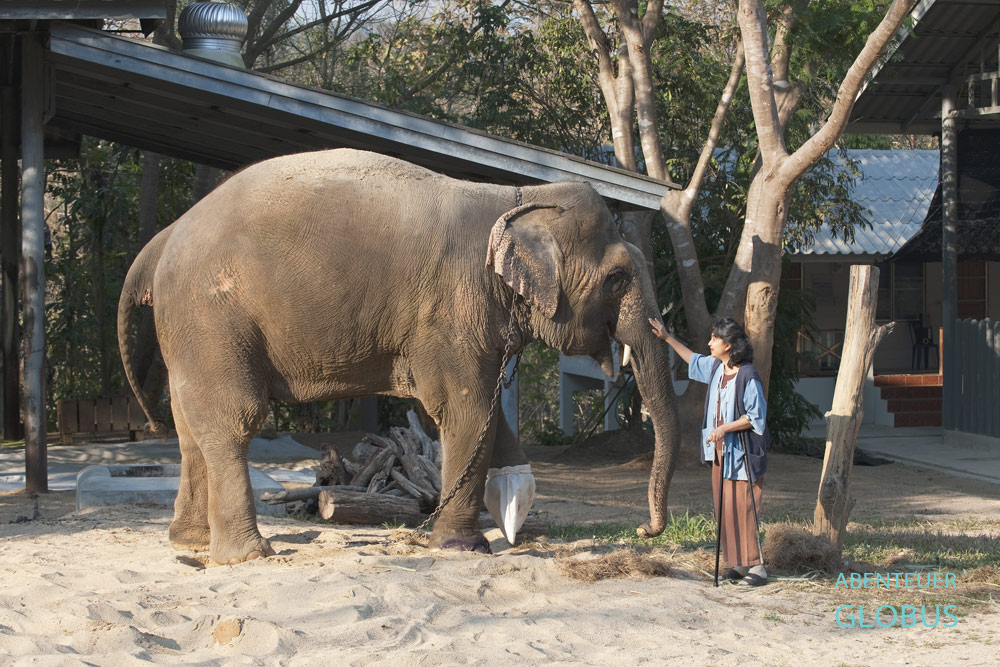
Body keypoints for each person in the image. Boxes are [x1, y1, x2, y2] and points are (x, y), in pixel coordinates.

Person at [649, 316, 770, 586]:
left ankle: (758, 568)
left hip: (742, 456)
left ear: (729, 344)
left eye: (715, 338)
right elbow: (692, 359)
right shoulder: (716, 368)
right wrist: (667, 337)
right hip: (720, 455)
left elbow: (755, 416)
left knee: (744, 508)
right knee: (725, 510)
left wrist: (725, 428)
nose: (710, 342)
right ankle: (739, 565)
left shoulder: (747, 375)